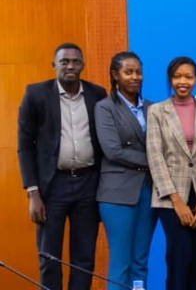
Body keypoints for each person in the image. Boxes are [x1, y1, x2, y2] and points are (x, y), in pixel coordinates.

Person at [17, 42, 107, 290]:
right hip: (52, 186)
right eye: (64, 61)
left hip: (88, 185)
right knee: (49, 258)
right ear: (54, 65)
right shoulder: (35, 94)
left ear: (82, 66)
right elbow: (25, 146)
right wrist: (33, 192)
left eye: (75, 61)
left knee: (84, 260)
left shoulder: (97, 94)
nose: (70, 66)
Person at [147, 56, 196, 290]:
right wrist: (177, 201)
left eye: (188, 77)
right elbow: (155, 156)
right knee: (180, 257)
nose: (183, 81)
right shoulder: (157, 111)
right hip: (170, 198)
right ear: (170, 79)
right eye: (177, 76)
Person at [94, 51, 156, 289]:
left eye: (138, 72)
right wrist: (154, 160)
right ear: (115, 75)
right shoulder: (105, 108)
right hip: (117, 194)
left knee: (140, 261)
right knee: (121, 262)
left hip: (148, 191)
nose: (135, 77)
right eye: (128, 72)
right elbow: (113, 151)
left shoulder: (152, 108)